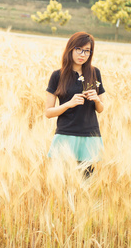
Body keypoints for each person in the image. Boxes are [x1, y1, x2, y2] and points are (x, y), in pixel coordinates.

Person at [45, 31, 105, 178]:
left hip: (89, 135)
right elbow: (48, 112)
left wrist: (97, 99)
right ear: (70, 49)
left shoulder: (94, 73)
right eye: (79, 49)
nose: (82, 54)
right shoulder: (57, 76)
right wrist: (68, 104)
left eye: (87, 51)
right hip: (66, 134)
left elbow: (101, 109)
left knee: (85, 182)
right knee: (63, 182)